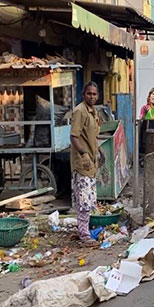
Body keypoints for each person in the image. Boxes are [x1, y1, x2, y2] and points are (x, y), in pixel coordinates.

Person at [70, 82, 100, 245]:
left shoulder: (93, 111)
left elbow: (92, 136)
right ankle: (84, 234)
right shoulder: (80, 111)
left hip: (91, 161)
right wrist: (84, 154)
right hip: (83, 162)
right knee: (83, 200)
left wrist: (99, 153)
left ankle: (85, 229)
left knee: (89, 198)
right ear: (83, 95)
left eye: (94, 94)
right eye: (89, 94)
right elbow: (74, 136)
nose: (92, 97)